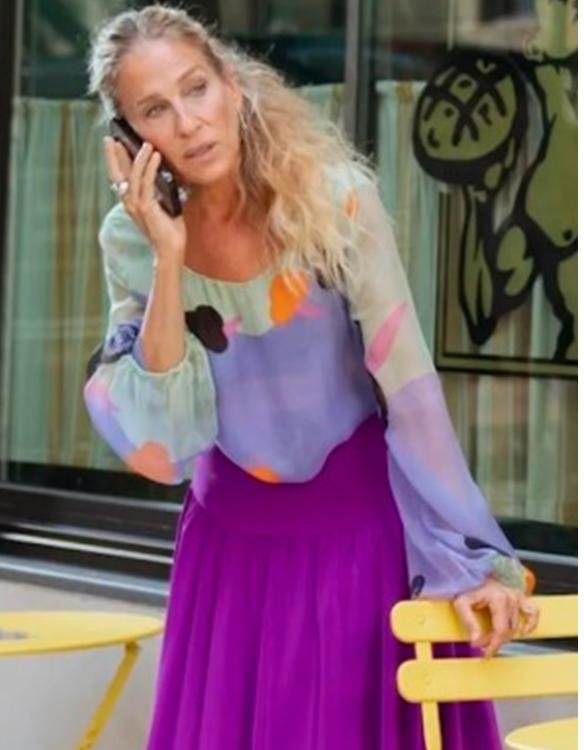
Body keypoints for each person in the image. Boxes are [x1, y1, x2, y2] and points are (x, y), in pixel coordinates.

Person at [84, 5, 539, 749]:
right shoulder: (129, 241)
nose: (189, 123)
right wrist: (168, 255)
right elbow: (164, 443)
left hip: (359, 541)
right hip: (228, 553)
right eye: (155, 110)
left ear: (232, 84)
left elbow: (409, 389)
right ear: (129, 139)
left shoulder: (334, 201)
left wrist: (469, 555)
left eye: (197, 88)